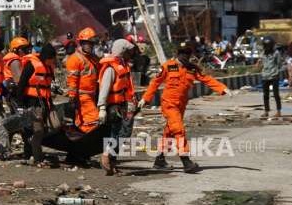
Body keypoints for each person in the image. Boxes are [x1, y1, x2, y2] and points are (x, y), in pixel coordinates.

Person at [138, 41, 232, 173]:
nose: (185, 56)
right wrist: (145, 98)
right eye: (182, 53)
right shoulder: (169, 66)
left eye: (187, 53)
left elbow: (207, 79)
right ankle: (186, 160)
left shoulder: (192, 69)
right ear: (177, 53)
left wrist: (222, 88)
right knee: (178, 129)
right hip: (169, 104)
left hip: (181, 105)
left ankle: (159, 160)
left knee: (170, 132)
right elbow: (155, 83)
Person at [98, 39, 138, 175]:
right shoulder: (110, 68)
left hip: (123, 104)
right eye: (128, 52)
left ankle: (111, 162)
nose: (130, 54)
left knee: (119, 133)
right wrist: (102, 108)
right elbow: (104, 89)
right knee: (120, 132)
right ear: (122, 51)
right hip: (114, 106)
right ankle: (106, 155)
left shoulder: (123, 65)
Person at [17, 43, 57, 167]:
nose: (53, 61)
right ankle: (37, 157)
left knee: (54, 126)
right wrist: (20, 105)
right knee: (38, 130)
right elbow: (21, 85)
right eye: (51, 58)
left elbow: (48, 85)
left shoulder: (49, 67)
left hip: (45, 102)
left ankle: (30, 149)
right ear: (46, 57)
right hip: (32, 103)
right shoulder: (31, 65)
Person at [66, 27, 100, 134]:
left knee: (82, 120)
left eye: (92, 43)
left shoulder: (93, 58)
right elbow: (72, 80)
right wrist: (72, 97)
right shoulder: (75, 59)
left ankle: (79, 137)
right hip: (82, 96)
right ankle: (86, 140)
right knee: (93, 119)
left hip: (92, 95)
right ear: (81, 43)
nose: (91, 46)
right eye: (88, 43)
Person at [258, 36, 282, 118]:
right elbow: (261, 61)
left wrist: (275, 72)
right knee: (265, 95)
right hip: (265, 76)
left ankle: (278, 111)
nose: (267, 47)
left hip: (274, 76)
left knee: (276, 94)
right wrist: (259, 65)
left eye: (268, 46)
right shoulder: (263, 52)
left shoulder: (276, 53)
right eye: (266, 46)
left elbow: (279, 64)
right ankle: (266, 111)